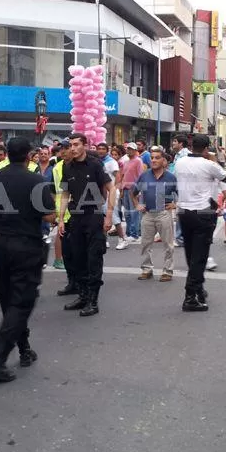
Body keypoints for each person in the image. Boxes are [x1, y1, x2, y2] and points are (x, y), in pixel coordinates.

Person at [0, 137, 55, 383]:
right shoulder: (36, 181)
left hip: (1, 245)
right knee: (22, 303)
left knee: (9, 300)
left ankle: (24, 347)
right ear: (29, 154)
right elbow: (49, 216)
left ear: (7, 154)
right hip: (27, 246)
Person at [58, 133, 114, 317]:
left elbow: (111, 188)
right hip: (75, 217)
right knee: (78, 257)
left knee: (94, 259)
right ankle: (82, 295)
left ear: (84, 145)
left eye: (76, 145)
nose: (72, 148)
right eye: (70, 145)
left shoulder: (95, 164)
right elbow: (65, 194)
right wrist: (60, 219)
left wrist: (109, 216)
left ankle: (93, 300)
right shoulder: (68, 167)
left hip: (93, 215)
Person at [174, 134, 226, 312]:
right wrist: (213, 158)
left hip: (184, 211)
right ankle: (190, 296)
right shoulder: (209, 164)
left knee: (191, 253)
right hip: (203, 212)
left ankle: (198, 288)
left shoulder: (180, 162)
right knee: (200, 256)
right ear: (206, 148)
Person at [133, 146, 177, 282]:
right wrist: (137, 204)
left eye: (157, 158)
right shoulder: (144, 175)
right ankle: (146, 269)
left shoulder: (171, 177)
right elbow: (133, 192)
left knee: (168, 244)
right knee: (145, 243)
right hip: (148, 214)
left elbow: (181, 194)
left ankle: (167, 271)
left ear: (164, 160)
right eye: (152, 158)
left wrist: (175, 204)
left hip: (164, 213)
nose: (153, 160)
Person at [52, 140, 77, 292]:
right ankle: (71, 282)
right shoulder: (58, 167)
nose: (63, 152)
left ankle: (82, 282)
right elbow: (54, 190)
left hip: (79, 214)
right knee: (67, 251)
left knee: (78, 251)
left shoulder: (81, 165)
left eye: (66, 149)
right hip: (63, 214)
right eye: (62, 150)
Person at [120, 143, 145, 245]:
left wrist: (139, 191)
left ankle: (135, 234)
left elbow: (140, 176)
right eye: (128, 149)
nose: (128, 151)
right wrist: (121, 189)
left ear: (135, 151)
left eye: (131, 149)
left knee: (134, 212)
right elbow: (124, 176)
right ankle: (129, 232)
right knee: (127, 213)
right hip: (125, 189)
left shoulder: (138, 161)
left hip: (134, 190)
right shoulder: (126, 162)